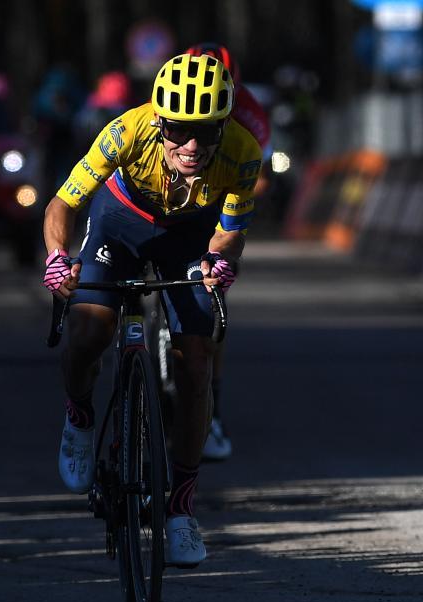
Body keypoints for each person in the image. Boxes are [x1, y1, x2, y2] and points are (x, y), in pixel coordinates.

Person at [42, 54, 262, 567]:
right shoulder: (126, 132)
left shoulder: (243, 153)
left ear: (224, 125)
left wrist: (220, 260)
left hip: (189, 234)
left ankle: (182, 511)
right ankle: (79, 416)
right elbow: (62, 204)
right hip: (120, 222)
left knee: (196, 366)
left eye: (206, 132)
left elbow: (230, 230)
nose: (192, 146)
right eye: (180, 130)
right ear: (159, 121)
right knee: (89, 328)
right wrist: (56, 258)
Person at [183, 42, 274, 462]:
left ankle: (211, 412)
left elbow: (252, 181)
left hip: (221, 194)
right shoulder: (169, 96)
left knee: (210, 303)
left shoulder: (251, 116)